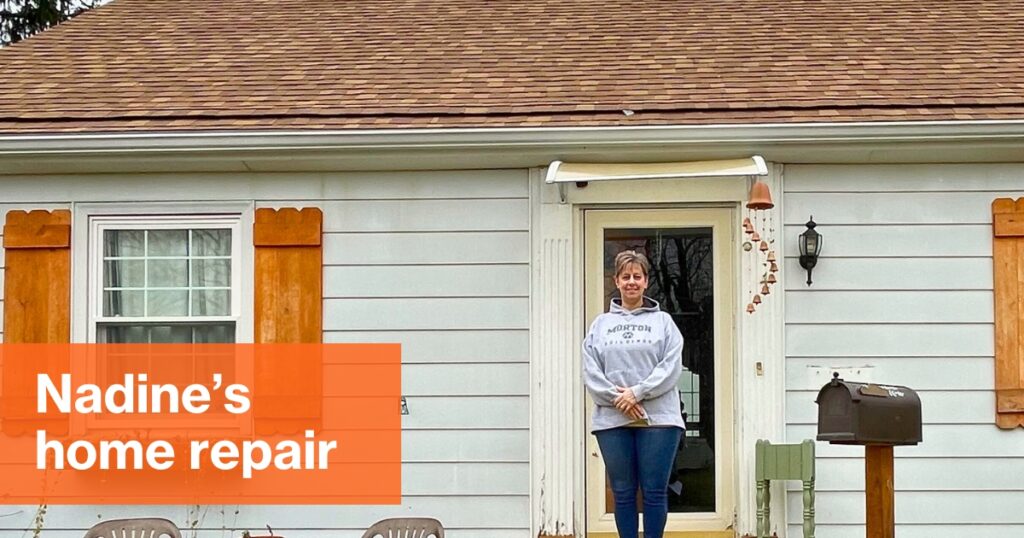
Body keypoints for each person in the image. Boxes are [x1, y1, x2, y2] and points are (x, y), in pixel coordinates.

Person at [582, 250, 685, 538]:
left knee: (654, 491)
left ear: (646, 281)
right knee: (623, 492)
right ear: (616, 281)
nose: (631, 282)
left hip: (659, 420)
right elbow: (591, 371)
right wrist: (620, 399)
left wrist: (638, 393)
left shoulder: (664, 322)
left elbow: (671, 366)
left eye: (637, 277)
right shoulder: (600, 325)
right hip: (612, 420)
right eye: (625, 276)